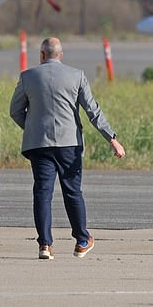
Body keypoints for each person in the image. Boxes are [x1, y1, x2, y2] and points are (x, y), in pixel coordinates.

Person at [9, 37, 125, 260]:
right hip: (69, 144)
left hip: (39, 144)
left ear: (42, 55)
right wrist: (112, 139)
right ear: (60, 55)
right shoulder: (77, 75)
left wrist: (32, 128)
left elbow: (15, 111)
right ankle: (82, 240)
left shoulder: (27, 76)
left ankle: (45, 245)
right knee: (72, 191)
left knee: (42, 193)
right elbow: (93, 111)